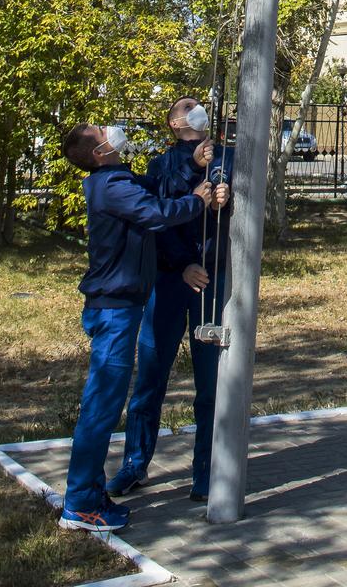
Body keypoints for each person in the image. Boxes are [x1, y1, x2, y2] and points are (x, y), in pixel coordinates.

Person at [58, 123, 211, 531]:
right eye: (102, 132)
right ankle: (79, 505)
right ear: (99, 151)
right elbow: (157, 213)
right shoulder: (111, 186)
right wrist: (197, 200)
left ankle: (91, 494)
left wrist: (192, 168)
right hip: (115, 311)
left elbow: (158, 189)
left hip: (120, 308)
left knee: (103, 407)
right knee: (101, 409)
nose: (112, 130)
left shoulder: (114, 179)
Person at [108, 97, 231, 502]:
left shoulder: (228, 156)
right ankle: (135, 465)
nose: (198, 108)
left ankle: (206, 470)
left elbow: (244, 210)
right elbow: (159, 212)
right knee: (151, 378)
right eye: (188, 106)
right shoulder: (163, 164)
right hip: (172, 279)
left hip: (211, 279)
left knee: (210, 382)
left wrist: (227, 197)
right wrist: (181, 265)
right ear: (175, 122)